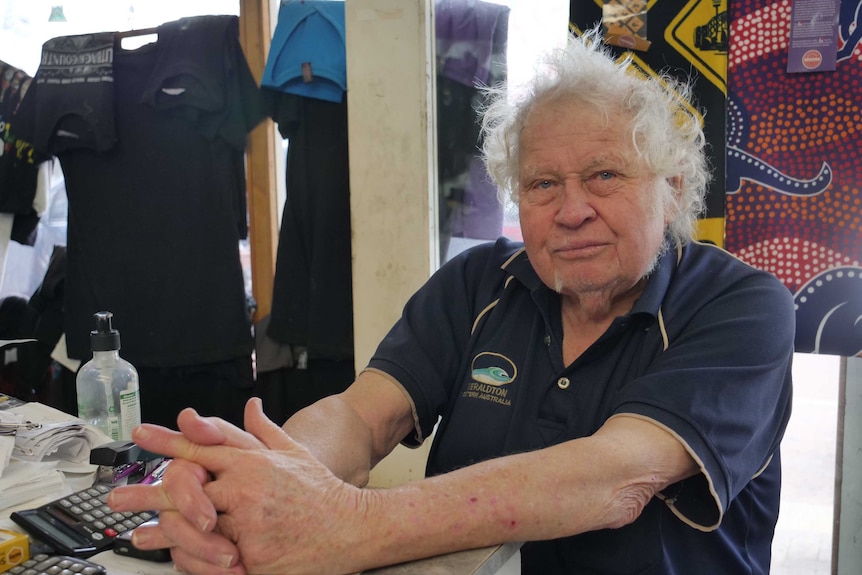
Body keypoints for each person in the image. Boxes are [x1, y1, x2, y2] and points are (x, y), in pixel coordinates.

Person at [107, 27, 795, 575]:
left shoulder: (742, 306)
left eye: (604, 175)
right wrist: (255, 486)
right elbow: (358, 417)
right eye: (542, 184)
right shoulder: (480, 283)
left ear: (672, 187)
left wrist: (346, 523)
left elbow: (614, 477)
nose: (572, 209)